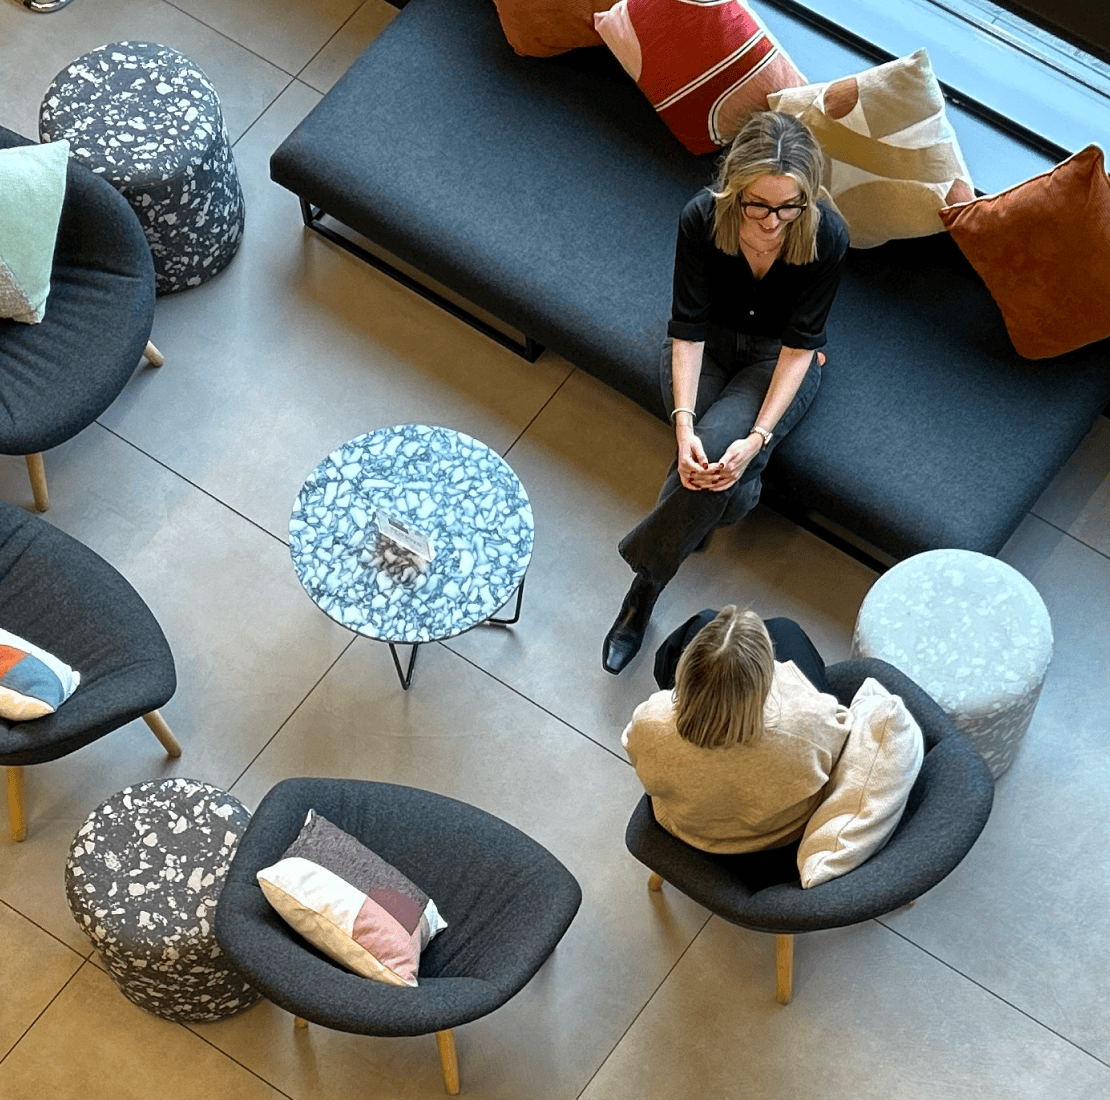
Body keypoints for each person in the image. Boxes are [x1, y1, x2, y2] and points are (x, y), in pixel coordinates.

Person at [602, 111, 850, 674]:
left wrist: (757, 437)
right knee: (721, 481)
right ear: (734, 188)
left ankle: (642, 590)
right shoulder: (701, 217)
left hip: (777, 357)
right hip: (707, 347)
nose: (772, 222)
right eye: (758, 205)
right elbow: (686, 327)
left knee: (721, 456)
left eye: (789, 207)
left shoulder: (827, 235)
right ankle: (725, 503)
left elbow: (799, 347)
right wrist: (683, 423)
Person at [621, 606, 851, 854]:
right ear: (767, 680)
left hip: (691, 831)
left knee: (704, 620)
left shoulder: (651, 720)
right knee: (785, 629)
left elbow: (639, 760)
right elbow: (840, 739)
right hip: (779, 837)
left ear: (685, 669)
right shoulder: (808, 722)